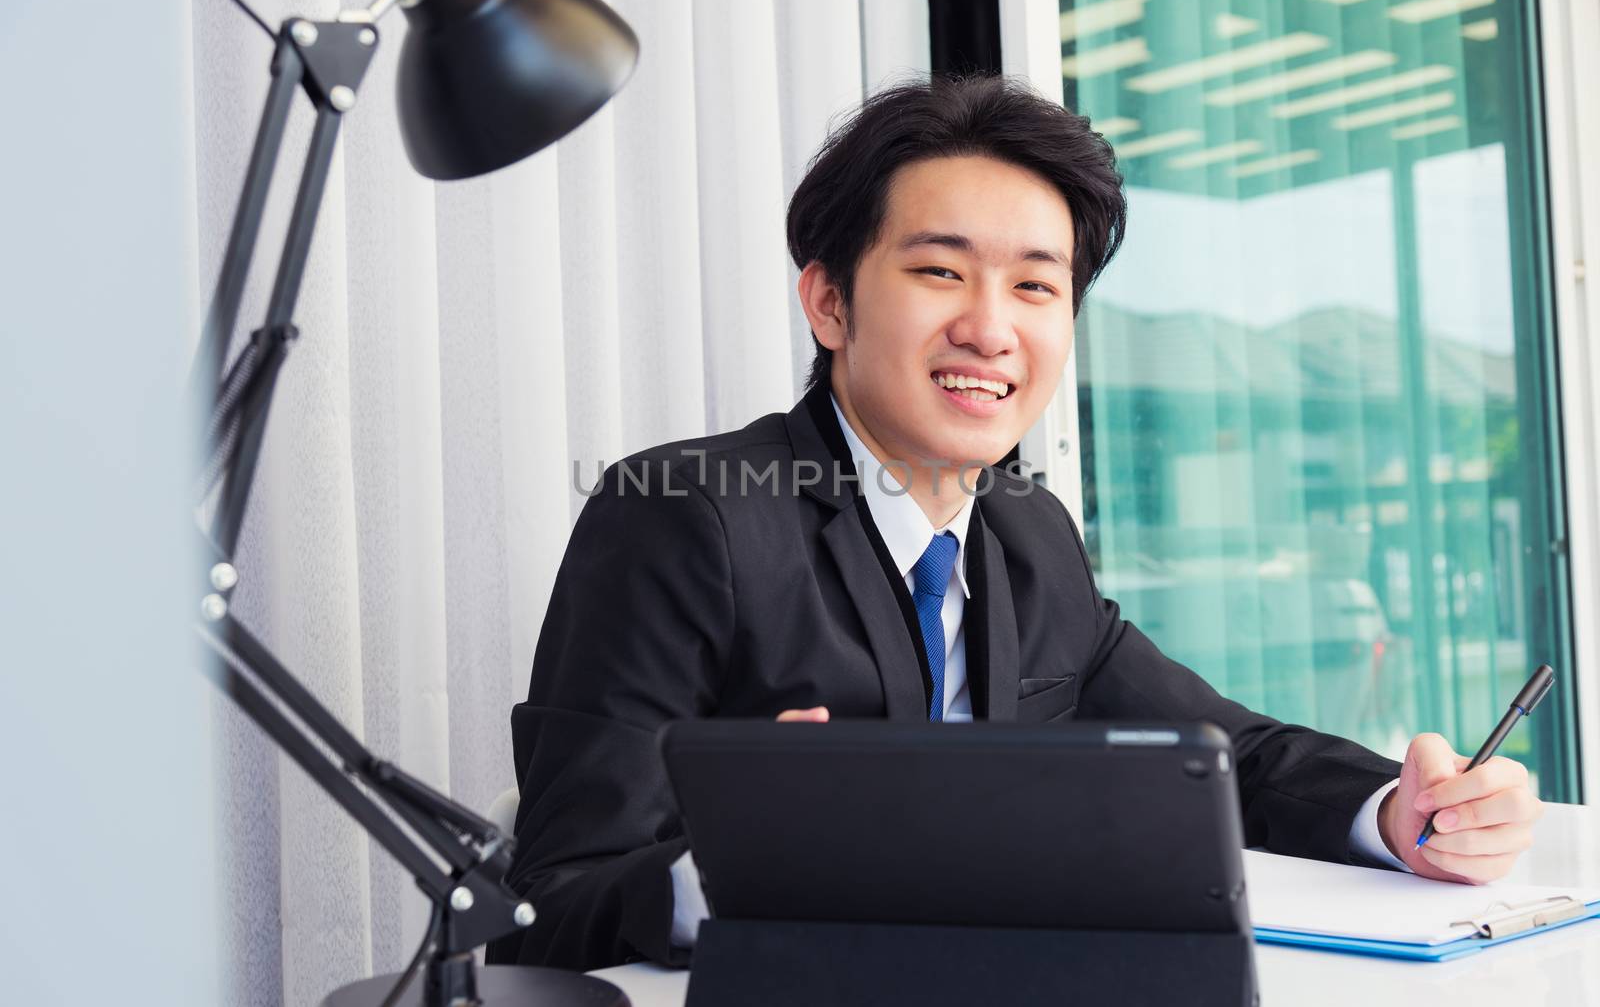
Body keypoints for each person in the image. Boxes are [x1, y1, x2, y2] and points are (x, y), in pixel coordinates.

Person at [487, 76, 1543, 973]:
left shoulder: (1026, 532)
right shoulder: (680, 519)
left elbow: (1223, 752)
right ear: (828, 302)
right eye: (939, 271)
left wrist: (1400, 814)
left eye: (1036, 287)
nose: (990, 328)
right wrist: (736, 859)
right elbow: (548, 903)